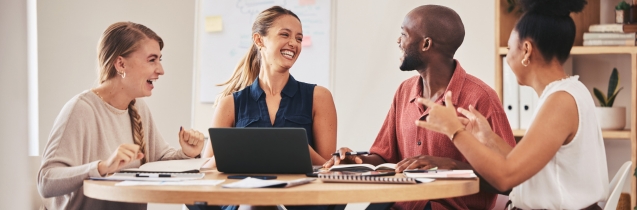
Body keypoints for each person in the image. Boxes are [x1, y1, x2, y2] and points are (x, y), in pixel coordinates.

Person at [414, 0, 608, 209]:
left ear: (526, 50)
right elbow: (523, 167)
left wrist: (454, 130)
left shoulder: (561, 101)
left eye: (509, 48)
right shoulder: (570, 91)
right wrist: (487, 138)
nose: (507, 58)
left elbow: (506, 177)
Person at [323, 5, 516, 210]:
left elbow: (510, 181)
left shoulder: (480, 98)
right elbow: (385, 157)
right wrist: (355, 161)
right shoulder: (404, 91)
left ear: (426, 44)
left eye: (403, 34)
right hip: (399, 204)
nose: (398, 41)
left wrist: (449, 167)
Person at [37, 22, 206, 210]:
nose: (161, 70)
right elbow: (46, 181)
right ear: (121, 64)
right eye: (152, 60)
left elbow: (160, 163)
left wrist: (187, 153)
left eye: (159, 59)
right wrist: (102, 167)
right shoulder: (81, 109)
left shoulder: (138, 107)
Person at [201, 6, 336, 168]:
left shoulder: (319, 97)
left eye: (299, 38)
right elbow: (206, 170)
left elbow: (329, 169)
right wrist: (235, 148)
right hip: (245, 192)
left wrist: (298, 147)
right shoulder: (229, 104)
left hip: (299, 192)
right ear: (259, 40)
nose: (294, 43)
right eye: (285, 34)